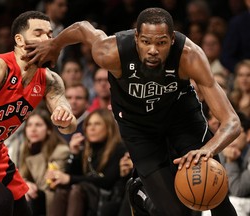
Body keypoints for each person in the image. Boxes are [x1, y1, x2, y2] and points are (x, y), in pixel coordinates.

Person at [22, 7, 240, 216]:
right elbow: (82, 28)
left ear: (172, 40)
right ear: (136, 37)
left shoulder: (189, 56)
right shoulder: (111, 51)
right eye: (146, 42)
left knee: (216, 197)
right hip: (138, 128)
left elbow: (231, 122)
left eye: (161, 43)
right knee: (173, 212)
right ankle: (138, 193)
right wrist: (55, 45)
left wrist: (208, 150)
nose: (153, 50)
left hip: (182, 120)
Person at [0, 11, 77, 216]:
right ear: (19, 39)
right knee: (0, 203)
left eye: (50, 35)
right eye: (39, 33)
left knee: (22, 211)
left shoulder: (50, 79)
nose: (47, 40)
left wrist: (65, 118)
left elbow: (69, 124)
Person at [46, 108, 127, 216]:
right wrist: (74, 155)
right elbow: (73, 176)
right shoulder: (85, 149)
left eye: (97, 124)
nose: (92, 128)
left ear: (108, 127)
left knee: (78, 190)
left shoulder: (119, 148)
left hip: (107, 199)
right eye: (89, 124)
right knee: (62, 191)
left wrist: (69, 179)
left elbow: (108, 181)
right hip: (87, 196)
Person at [18, 108, 70, 216]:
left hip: (50, 200)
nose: (33, 129)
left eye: (38, 125)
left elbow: (45, 184)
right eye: (29, 125)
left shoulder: (61, 151)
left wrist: (35, 153)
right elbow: (20, 176)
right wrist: (26, 184)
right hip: (34, 196)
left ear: (49, 129)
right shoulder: (25, 148)